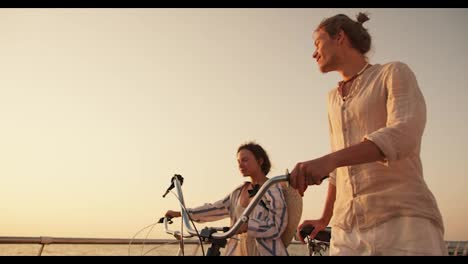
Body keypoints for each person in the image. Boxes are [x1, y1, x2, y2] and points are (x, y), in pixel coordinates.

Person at [289, 13, 447, 256]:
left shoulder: (393, 73)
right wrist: (324, 218)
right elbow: (337, 169)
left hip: (402, 222)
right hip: (346, 232)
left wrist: (330, 160)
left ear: (339, 36)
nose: (313, 53)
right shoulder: (331, 99)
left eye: (317, 43)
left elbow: (404, 133)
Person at [165, 142, 289, 256]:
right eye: (238, 161)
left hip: (264, 252)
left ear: (260, 161)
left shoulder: (272, 188)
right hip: (238, 249)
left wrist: (248, 226)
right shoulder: (238, 192)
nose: (240, 165)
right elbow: (214, 209)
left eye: (245, 160)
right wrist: (181, 213)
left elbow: (277, 227)